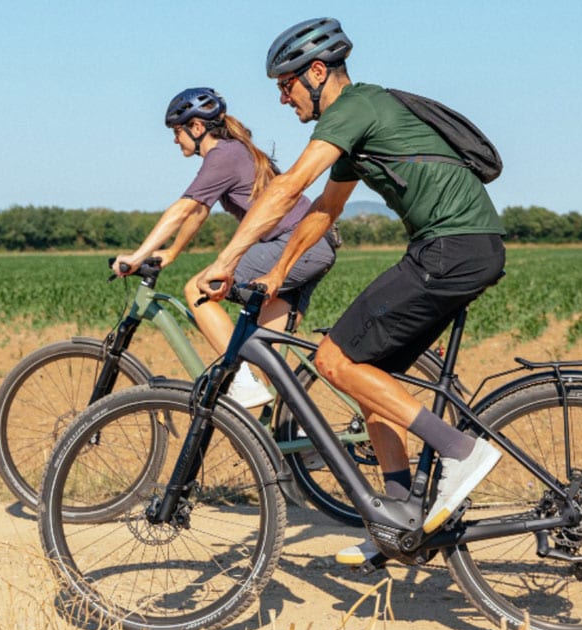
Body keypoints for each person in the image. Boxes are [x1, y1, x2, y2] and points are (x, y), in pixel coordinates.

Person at [196, 18, 507, 565]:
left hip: (450, 249)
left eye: (286, 85)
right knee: (370, 377)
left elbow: (289, 187)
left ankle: (462, 451)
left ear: (317, 72)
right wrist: (276, 270)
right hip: (459, 249)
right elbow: (323, 209)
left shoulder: (353, 109)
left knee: (333, 359)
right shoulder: (357, 126)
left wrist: (226, 259)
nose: (283, 98)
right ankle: (399, 521)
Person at [115, 87, 339, 408]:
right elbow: (198, 211)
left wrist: (137, 256)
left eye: (177, 132)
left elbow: (183, 209)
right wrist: (172, 252)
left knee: (197, 289)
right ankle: (300, 438)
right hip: (315, 245)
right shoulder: (232, 152)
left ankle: (239, 382)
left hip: (296, 242)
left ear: (196, 128)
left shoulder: (223, 155)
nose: (175, 140)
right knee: (264, 354)